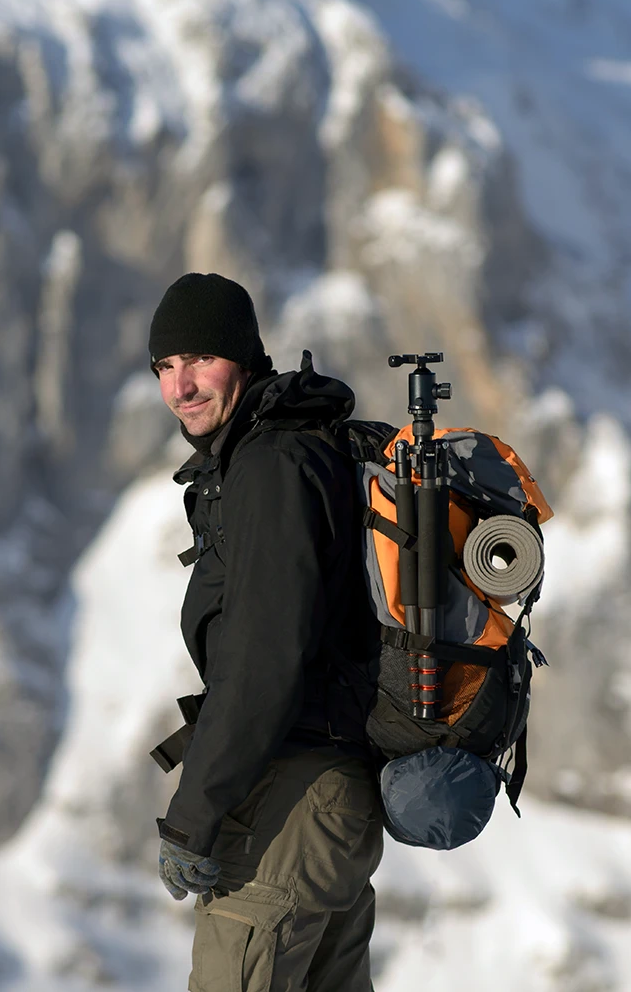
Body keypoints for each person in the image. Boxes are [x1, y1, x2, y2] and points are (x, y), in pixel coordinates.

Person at [149, 272, 384, 991]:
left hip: (294, 801)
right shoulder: (276, 453)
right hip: (327, 803)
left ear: (244, 359)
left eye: (199, 360)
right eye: (165, 366)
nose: (181, 385)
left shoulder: (271, 465)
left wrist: (193, 816)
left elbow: (263, 656)